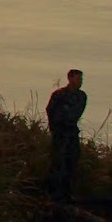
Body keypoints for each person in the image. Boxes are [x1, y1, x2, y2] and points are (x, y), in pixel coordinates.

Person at [46, 68, 87, 202]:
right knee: (58, 161)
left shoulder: (81, 96)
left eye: (81, 79)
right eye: (78, 78)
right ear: (70, 78)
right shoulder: (59, 94)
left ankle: (67, 193)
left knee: (72, 161)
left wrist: (65, 112)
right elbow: (51, 110)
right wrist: (55, 126)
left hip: (71, 132)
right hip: (60, 132)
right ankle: (54, 192)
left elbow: (75, 113)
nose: (80, 81)